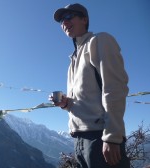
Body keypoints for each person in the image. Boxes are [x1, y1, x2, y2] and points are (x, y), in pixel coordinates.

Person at [50, 3, 130, 168]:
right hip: (79, 140)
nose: (64, 23)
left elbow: (114, 87)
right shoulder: (73, 58)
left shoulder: (99, 40)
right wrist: (66, 104)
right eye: (61, 21)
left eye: (68, 16)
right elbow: (85, 98)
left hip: (100, 136)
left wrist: (112, 136)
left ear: (84, 19)